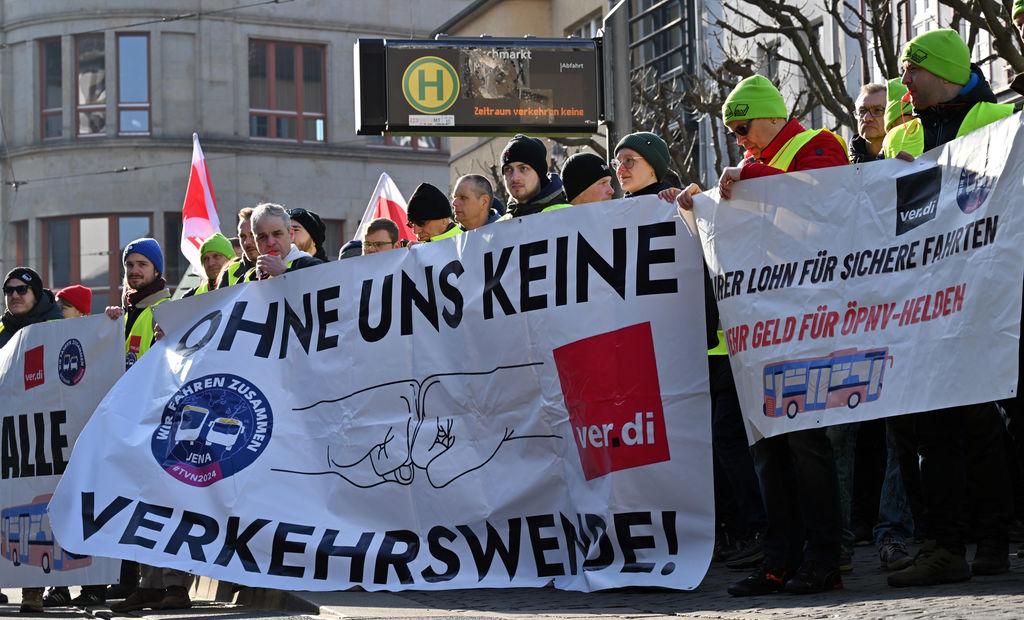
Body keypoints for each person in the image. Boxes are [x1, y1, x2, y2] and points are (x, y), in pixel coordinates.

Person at [673, 74, 848, 595]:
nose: (739, 139)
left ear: (773, 116)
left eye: (744, 127)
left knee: (808, 445)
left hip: (811, 321)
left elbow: (823, 203)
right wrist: (696, 208)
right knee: (769, 448)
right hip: (765, 328)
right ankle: (780, 560)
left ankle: (824, 557)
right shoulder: (750, 165)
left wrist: (751, 178)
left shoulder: (819, 144)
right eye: (733, 132)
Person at [881, 28, 1015, 587]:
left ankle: (985, 542)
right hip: (924, 302)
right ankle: (945, 544)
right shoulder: (902, 133)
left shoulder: (998, 121)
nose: (904, 80)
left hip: (986, 296)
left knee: (980, 426)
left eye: (913, 69)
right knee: (930, 425)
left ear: (943, 72)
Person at [0, 268, 63, 612]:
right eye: (8, 290)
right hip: (6, 431)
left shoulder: (57, 326)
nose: (14, 295)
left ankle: (33, 591)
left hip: (42, 433)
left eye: (21, 289)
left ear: (36, 293)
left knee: (36, 511)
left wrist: (110, 322)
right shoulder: (1, 329)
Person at [243, 203, 324, 281]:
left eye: (277, 234)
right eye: (262, 237)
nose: (270, 243)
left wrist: (283, 273)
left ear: (291, 235)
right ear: (255, 240)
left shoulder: (312, 266)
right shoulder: (249, 276)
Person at [499, 134, 569, 218]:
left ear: (540, 174)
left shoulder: (568, 216)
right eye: (508, 169)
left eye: (523, 168)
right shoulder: (500, 224)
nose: (514, 177)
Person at [612, 131, 676, 197]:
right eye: (618, 162)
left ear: (652, 166)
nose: (620, 169)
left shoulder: (676, 201)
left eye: (628, 160)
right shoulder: (619, 203)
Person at [217, 207, 258, 288]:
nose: (247, 242)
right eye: (242, 236)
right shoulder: (230, 271)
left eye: (252, 235)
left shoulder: (281, 266)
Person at [183, 233, 233, 297]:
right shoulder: (191, 296)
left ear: (229, 258)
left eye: (216, 256)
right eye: (205, 259)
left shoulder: (243, 283)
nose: (210, 263)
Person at [849, 83, 887, 163]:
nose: (867, 118)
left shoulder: (908, 157)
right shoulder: (843, 162)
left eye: (877, 110)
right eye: (862, 111)